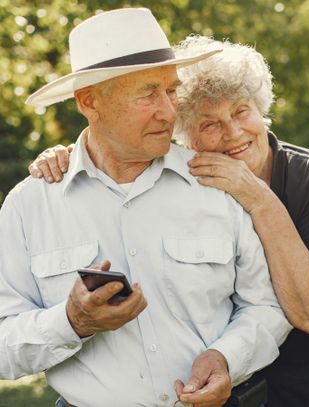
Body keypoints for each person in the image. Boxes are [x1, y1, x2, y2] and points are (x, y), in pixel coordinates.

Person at [29, 36, 309, 407]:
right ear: (186, 137)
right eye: (210, 124)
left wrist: (258, 197)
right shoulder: (193, 178)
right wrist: (79, 154)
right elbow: (117, 149)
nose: (233, 132)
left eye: (240, 112)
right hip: (255, 383)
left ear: (261, 108)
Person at [0, 9, 292, 407]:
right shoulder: (29, 206)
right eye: (148, 94)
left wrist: (227, 358)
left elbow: (266, 305)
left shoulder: (218, 184)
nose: (170, 112)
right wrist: (72, 322)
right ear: (90, 102)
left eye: (171, 91)